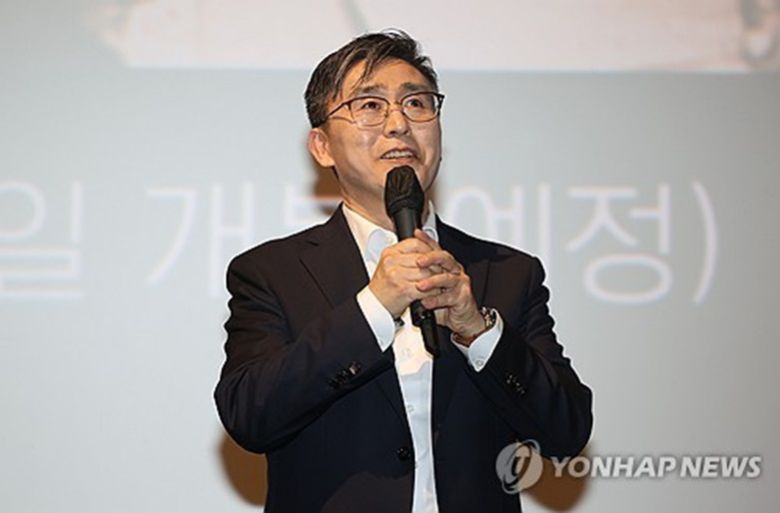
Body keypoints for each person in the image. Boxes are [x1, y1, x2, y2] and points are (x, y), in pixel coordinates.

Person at [214, 30, 592, 513]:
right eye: (370, 106)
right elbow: (250, 416)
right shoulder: (271, 272)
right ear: (322, 146)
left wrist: (478, 330)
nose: (399, 124)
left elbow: (566, 432)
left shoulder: (507, 273)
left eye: (416, 103)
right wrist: (374, 307)